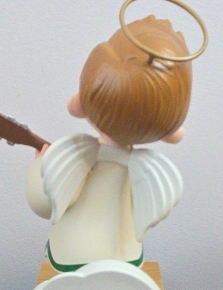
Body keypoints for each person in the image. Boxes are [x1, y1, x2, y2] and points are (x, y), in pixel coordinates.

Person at [25, 16, 191, 272]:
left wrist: (41, 166)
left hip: (72, 256)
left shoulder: (76, 156)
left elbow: (43, 203)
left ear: (81, 103)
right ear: (172, 132)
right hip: (127, 260)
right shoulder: (149, 171)